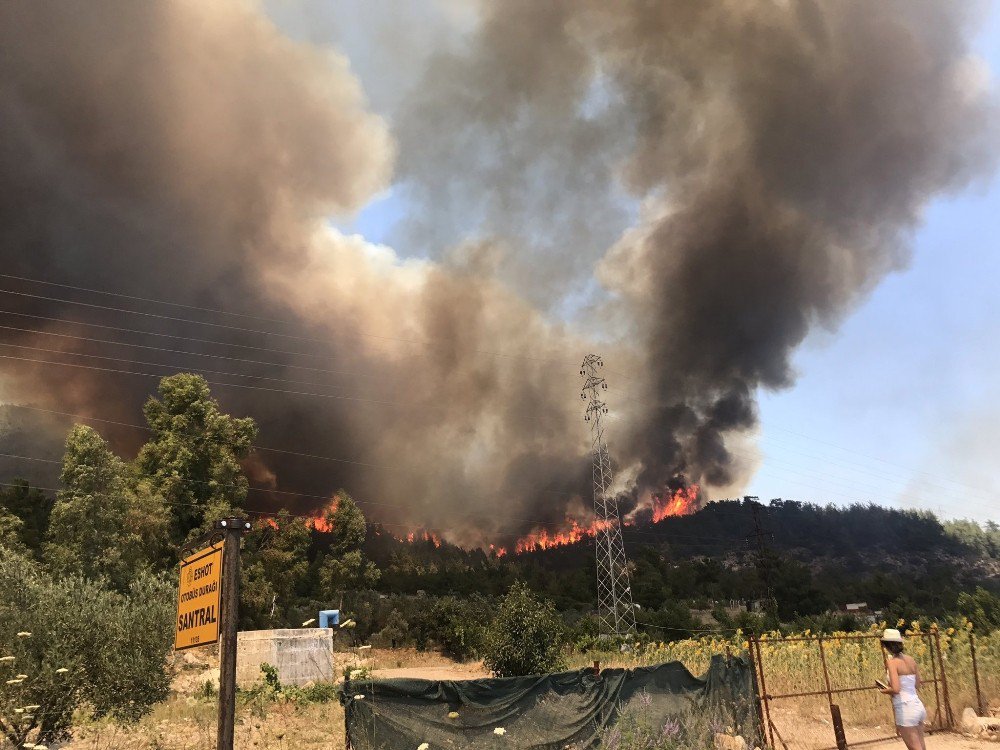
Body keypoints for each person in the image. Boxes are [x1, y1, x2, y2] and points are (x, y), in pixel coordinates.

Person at [878, 628, 927, 750]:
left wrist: (883, 690)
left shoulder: (892, 662)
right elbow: (917, 684)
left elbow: (896, 688)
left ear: (886, 645)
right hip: (917, 705)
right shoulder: (911, 660)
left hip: (905, 708)